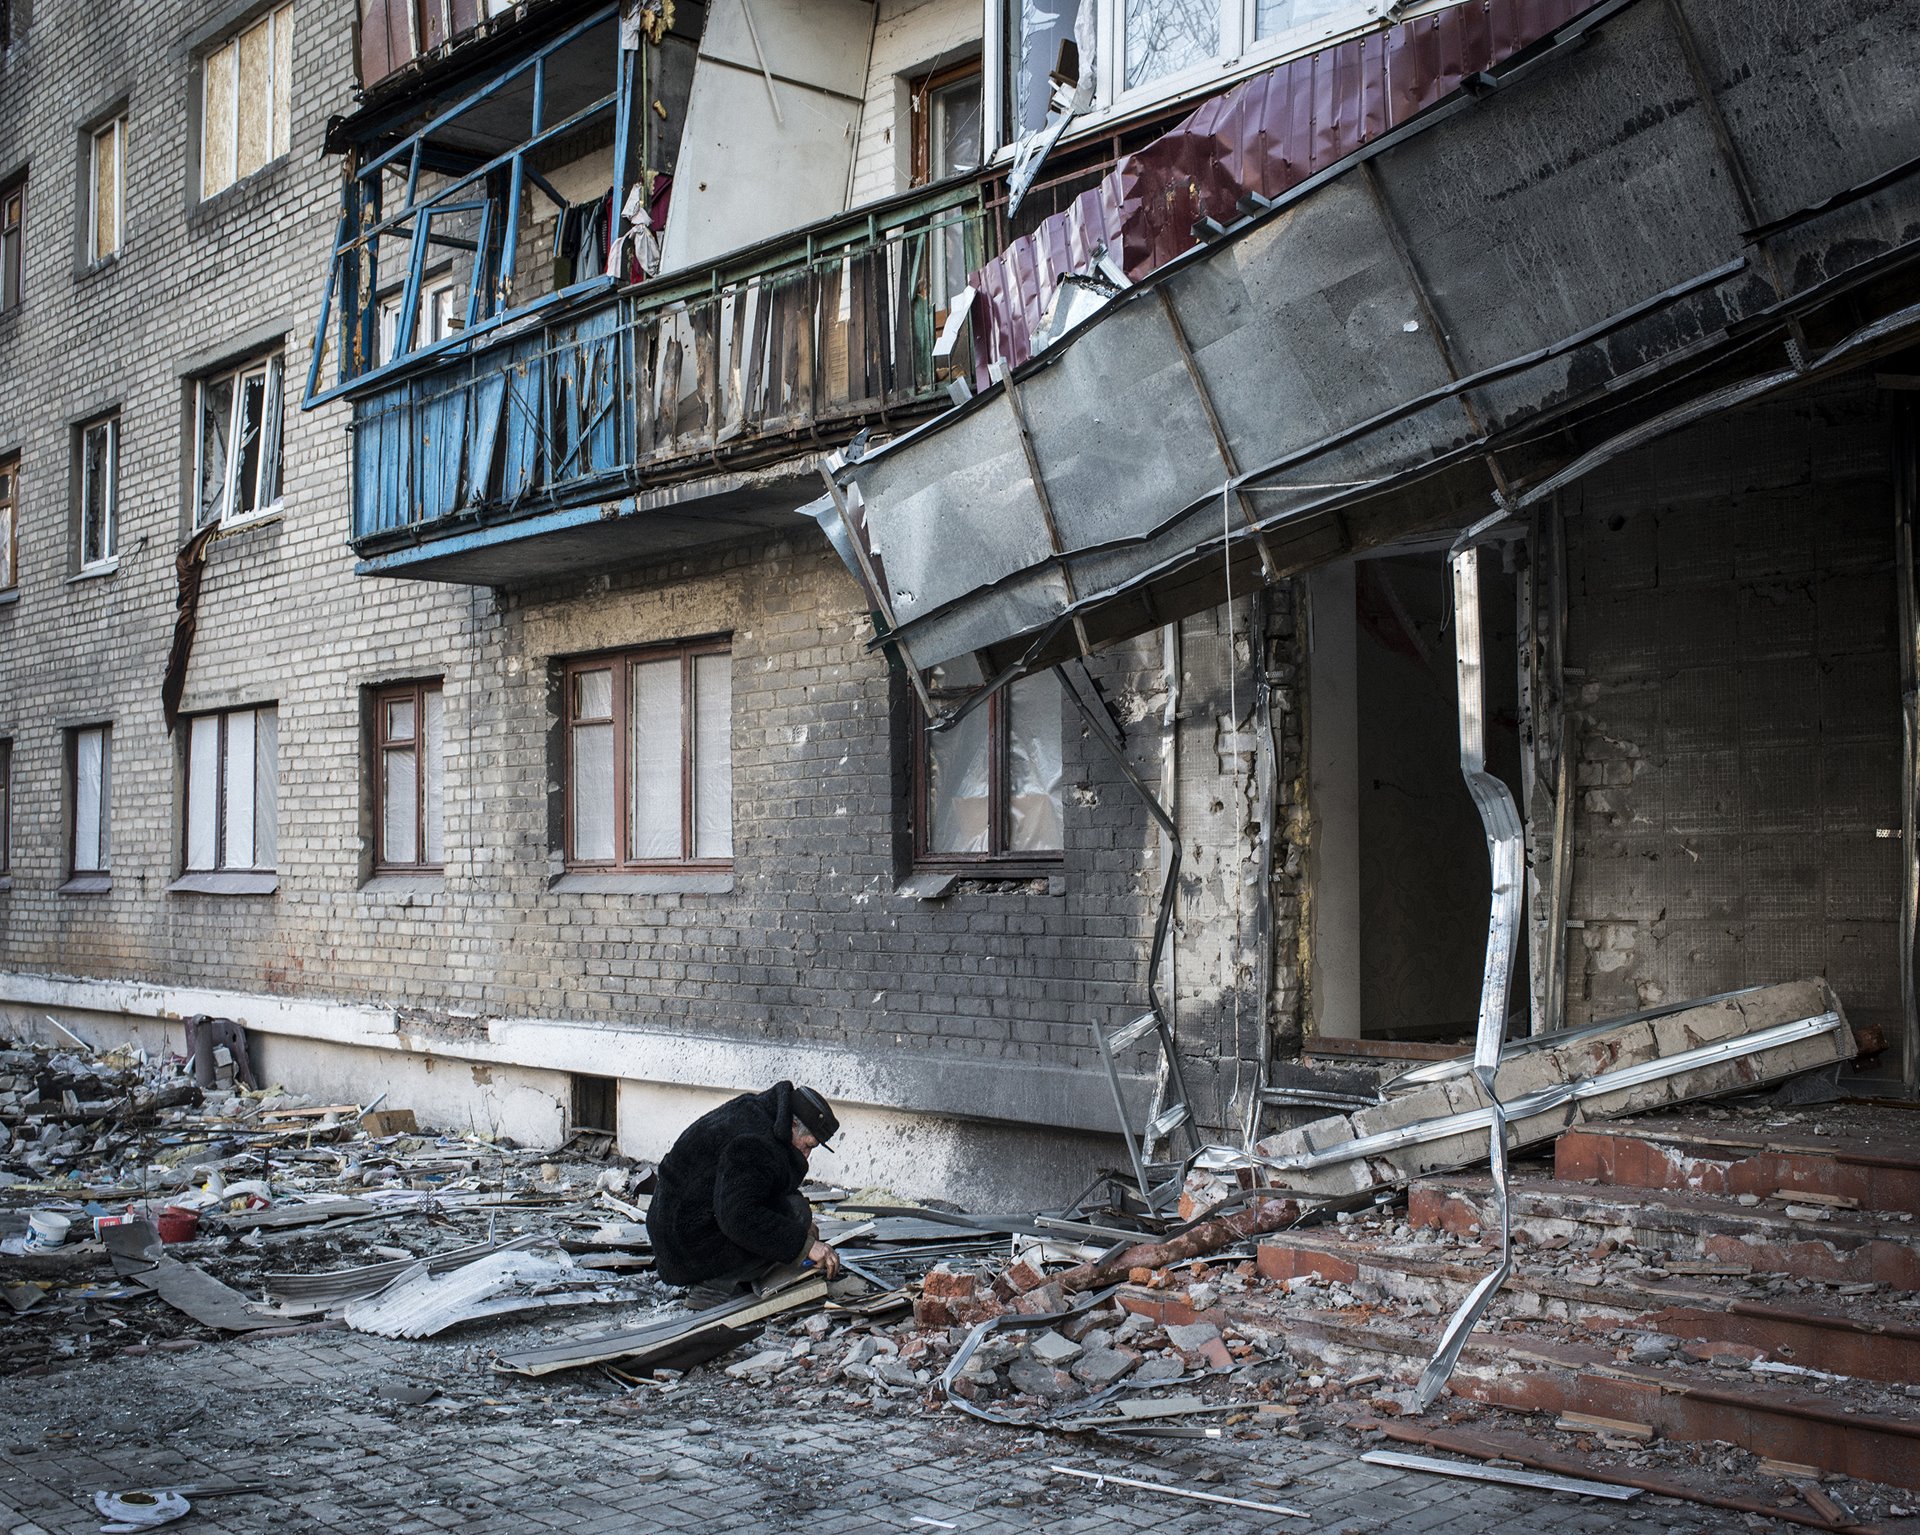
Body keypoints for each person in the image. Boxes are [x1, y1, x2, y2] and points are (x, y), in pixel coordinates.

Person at [646, 1080, 843, 1297]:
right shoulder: (754, 1143)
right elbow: (738, 1216)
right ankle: (713, 1286)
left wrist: (801, 1235)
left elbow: (761, 1186)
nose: (806, 1155)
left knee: (794, 1213)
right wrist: (804, 1247)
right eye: (807, 1146)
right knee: (796, 1212)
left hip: (676, 1229)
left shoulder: (759, 1112)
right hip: (684, 1249)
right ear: (793, 1125)